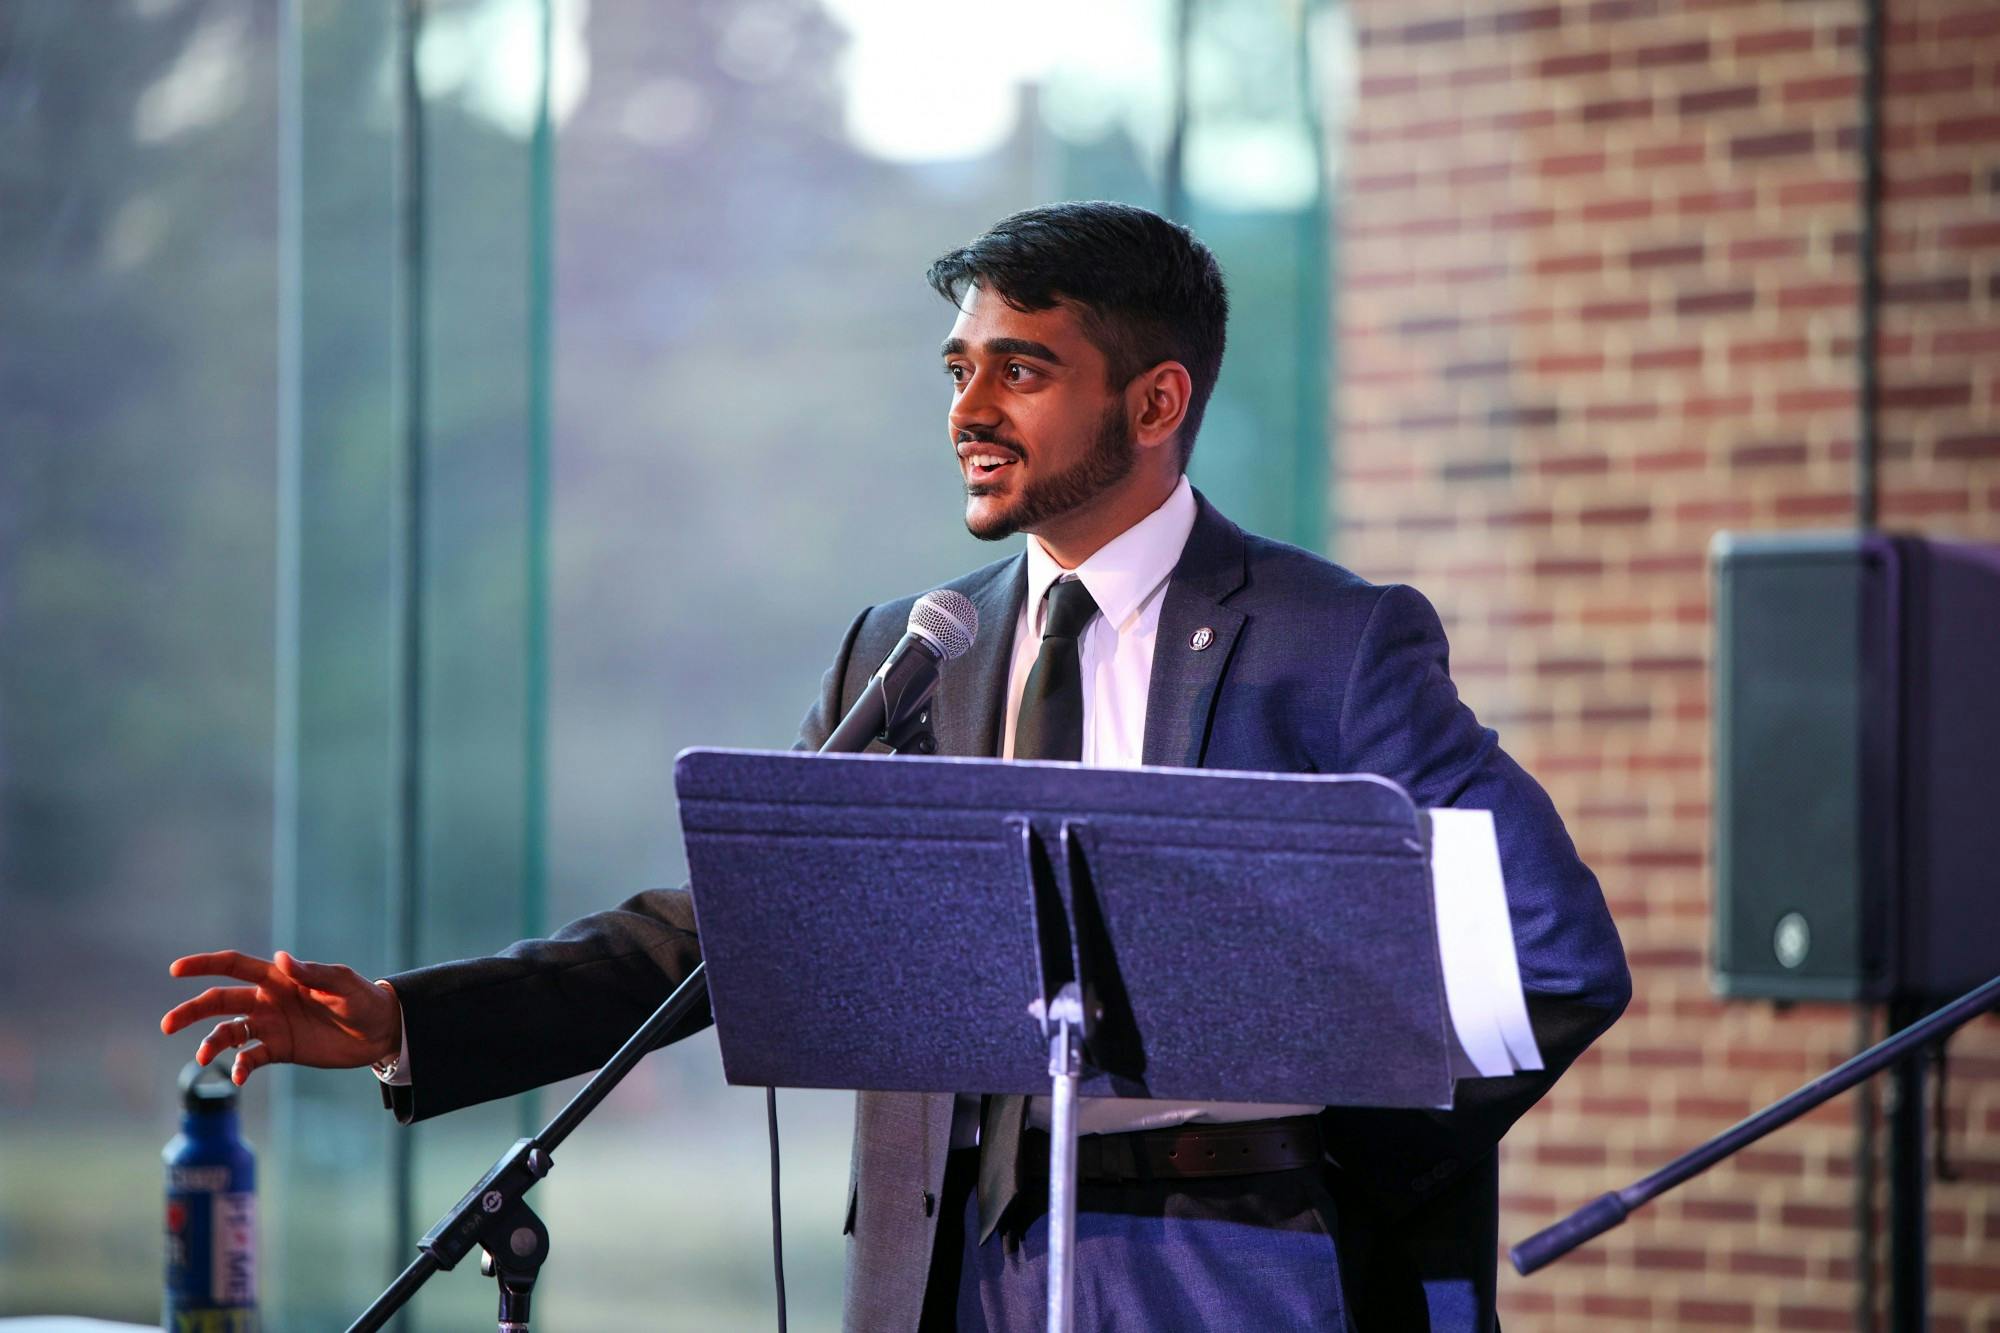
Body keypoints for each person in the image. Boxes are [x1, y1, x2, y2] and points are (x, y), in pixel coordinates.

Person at [163, 201, 1630, 1331]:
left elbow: (1559, 953)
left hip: (1230, 1269)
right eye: (958, 368)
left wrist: (1331, 1161)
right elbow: (724, 930)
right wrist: (412, 1021)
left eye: (1022, 369)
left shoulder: (1334, 642)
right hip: (943, 1271)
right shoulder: (911, 647)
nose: (967, 411)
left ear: (1157, 401)